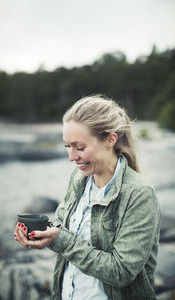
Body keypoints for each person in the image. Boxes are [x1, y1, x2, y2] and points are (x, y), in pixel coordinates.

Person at [14, 95, 161, 300]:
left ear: (110, 140)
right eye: (67, 146)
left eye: (79, 147)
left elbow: (121, 272)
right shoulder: (79, 178)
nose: (71, 157)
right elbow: (63, 228)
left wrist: (61, 241)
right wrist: (43, 236)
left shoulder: (140, 195)